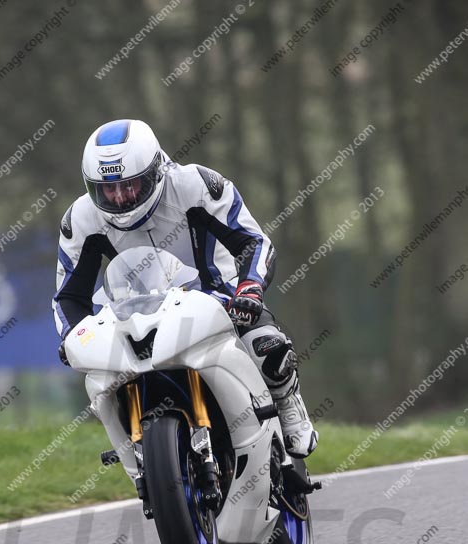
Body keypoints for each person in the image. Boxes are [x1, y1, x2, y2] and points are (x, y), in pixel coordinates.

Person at [53, 119, 318, 457]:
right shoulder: (80, 218)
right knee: (101, 375)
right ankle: (137, 454)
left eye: (129, 186)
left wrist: (249, 289)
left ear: (154, 172)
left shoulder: (196, 184)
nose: (119, 198)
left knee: (266, 343)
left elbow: (252, 242)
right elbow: (68, 296)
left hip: (216, 296)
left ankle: (286, 400)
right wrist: (70, 335)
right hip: (134, 312)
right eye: (107, 189)